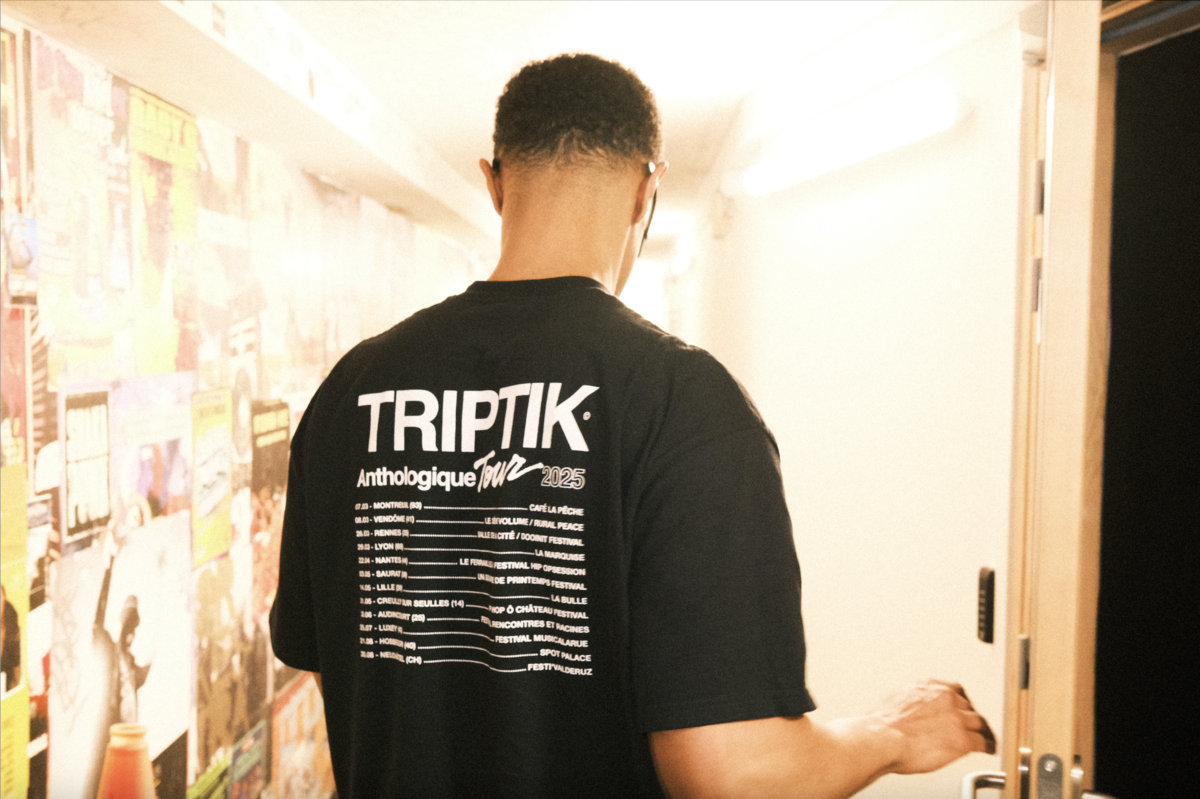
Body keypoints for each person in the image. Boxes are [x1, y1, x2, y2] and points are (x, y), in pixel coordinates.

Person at [270, 53, 994, 798]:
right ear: (648, 190)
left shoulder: (349, 392)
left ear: (493, 183)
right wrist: (891, 734)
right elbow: (732, 776)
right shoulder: (683, 403)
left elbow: (341, 668)